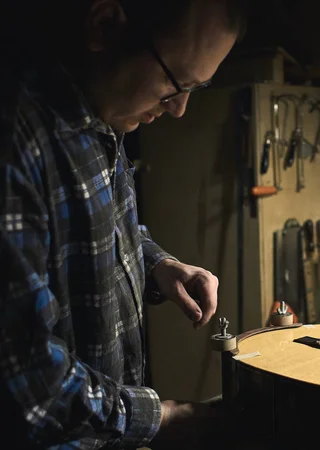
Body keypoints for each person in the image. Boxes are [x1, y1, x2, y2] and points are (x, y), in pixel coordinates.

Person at [0, 0, 246, 448]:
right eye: (175, 85)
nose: (179, 110)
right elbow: (31, 382)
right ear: (106, 26)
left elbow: (106, 226)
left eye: (198, 88)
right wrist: (165, 417)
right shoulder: (17, 139)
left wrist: (159, 265)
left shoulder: (107, 117)